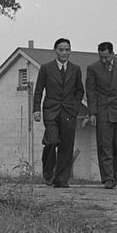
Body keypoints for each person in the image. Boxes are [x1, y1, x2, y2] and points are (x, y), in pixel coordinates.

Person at [32, 38, 84, 188]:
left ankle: (61, 179)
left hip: (68, 112)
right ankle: (48, 172)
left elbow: (79, 90)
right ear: (55, 51)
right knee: (52, 140)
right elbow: (38, 90)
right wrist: (36, 109)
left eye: (67, 50)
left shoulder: (75, 69)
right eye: (61, 50)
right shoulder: (46, 68)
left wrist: (75, 106)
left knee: (66, 146)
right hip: (51, 110)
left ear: (70, 51)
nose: (64, 53)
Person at [85, 42, 117, 189]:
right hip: (103, 111)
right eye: (101, 57)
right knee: (105, 146)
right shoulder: (92, 68)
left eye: (106, 57)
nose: (103, 60)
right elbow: (91, 92)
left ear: (112, 53)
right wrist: (92, 113)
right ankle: (108, 178)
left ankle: (112, 171)